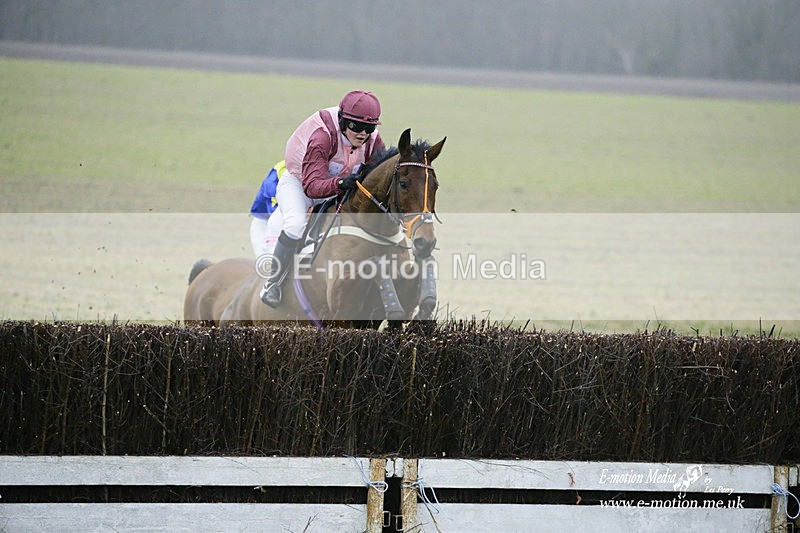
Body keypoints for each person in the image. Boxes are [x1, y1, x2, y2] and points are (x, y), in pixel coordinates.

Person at [259, 89, 386, 307]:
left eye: (370, 128)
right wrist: (339, 184)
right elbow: (312, 187)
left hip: (337, 187)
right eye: (357, 126)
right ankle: (273, 283)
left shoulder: (373, 141)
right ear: (342, 120)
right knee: (296, 224)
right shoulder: (323, 136)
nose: (363, 133)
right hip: (300, 185)